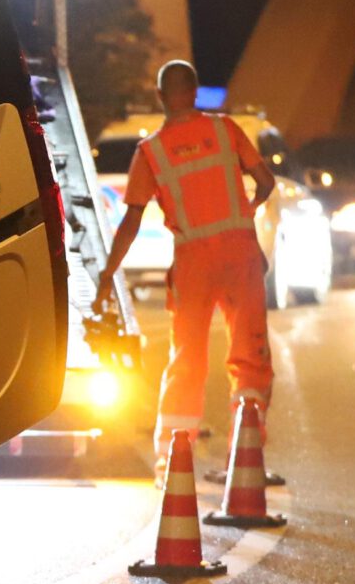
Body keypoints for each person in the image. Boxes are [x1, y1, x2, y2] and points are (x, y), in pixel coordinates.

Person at [95, 59, 279, 469]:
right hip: (240, 254)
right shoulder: (225, 129)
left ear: (160, 97)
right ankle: (245, 460)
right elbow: (266, 183)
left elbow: (131, 220)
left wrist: (109, 273)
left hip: (193, 263)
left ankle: (173, 458)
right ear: (194, 91)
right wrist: (245, 215)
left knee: (188, 359)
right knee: (250, 355)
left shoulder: (151, 152)